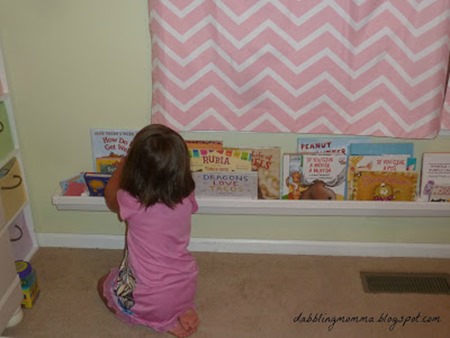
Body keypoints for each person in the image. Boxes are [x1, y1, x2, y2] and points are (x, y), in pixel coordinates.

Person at [97, 124, 200, 338]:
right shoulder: (186, 195)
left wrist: (123, 164)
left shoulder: (131, 200)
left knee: (104, 283)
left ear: (136, 168)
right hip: (186, 283)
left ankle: (162, 322)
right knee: (137, 277)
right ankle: (182, 308)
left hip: (152, 300)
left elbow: (109, 197)